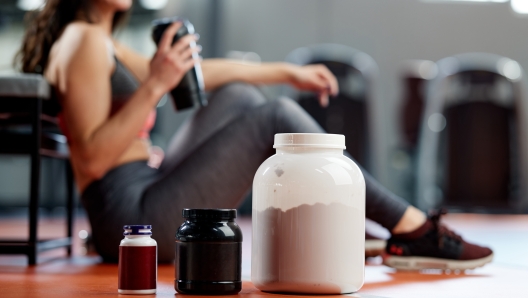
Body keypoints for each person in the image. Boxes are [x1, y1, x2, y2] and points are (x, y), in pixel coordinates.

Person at [17, 0, 492, 270]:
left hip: (141, 190)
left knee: (241, 96)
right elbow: (95, 158)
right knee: (273, 118)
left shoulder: (100, 40)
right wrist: (157, 84)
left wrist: (287, 71)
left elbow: (199, 72)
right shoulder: (80, 41)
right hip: (130, 220)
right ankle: (411, 228)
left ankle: (347, 222)